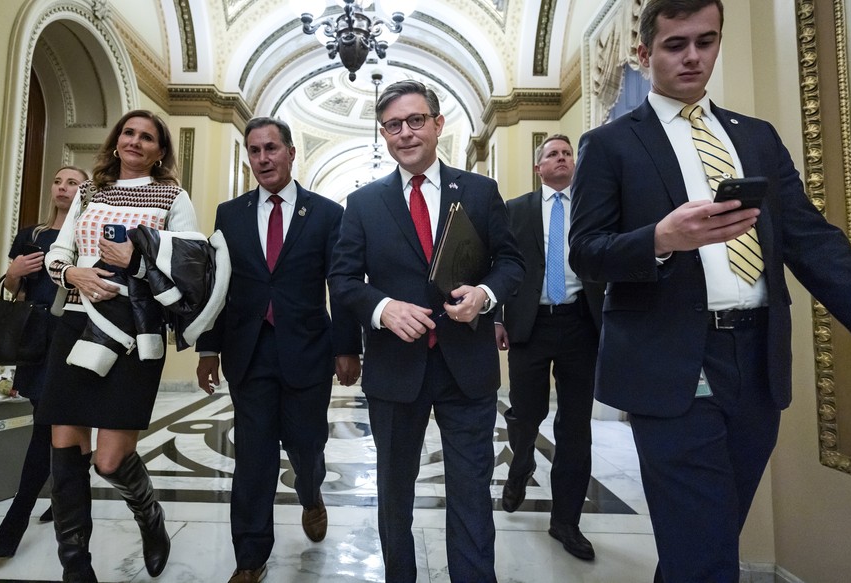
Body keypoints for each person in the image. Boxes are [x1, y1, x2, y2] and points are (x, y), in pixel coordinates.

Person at [568, 1, 851, 581]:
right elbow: (586, 253)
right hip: (673, 361)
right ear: (645, 53)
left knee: (706, 538)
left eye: (706, 40)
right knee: (704, 553)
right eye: (676, 45)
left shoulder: (758, 139)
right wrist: (660, 238)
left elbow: (810, 241)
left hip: (756, 361)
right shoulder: (611, 145)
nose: (694, 57)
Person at [329, 80, 525, 582]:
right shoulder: (364, 202)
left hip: (468, 370)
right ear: (384, 134)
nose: (406, 133)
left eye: (416, 120)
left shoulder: (479, 192)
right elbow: (344, 280)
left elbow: (511, 264)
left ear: (438, 125)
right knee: (395, 493)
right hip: (396, 371)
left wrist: (486, 295)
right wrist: (384, 308)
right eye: (394, 125)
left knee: (470, 492)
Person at [195, 117, 362, 583]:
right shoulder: (230, 213)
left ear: (291, 153)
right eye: (254, 150)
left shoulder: (327, 213)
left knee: (307, 447)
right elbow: (218, 287)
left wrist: (348, 348)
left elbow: (341, 284)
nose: (263, 158)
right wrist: (208, 349)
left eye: (271, 148)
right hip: (248, 351)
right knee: (253, 456)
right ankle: (250, 558)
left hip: (308, 350)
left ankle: (311, 493)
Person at [38, 110, 201, 582]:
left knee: (109, 460)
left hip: (135, 333)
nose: (135, 141)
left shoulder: (172, 195)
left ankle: (151, 518)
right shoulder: (90, 192)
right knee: (66, 450)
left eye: (147, 137)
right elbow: (59, 252)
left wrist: (138, 258)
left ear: (159, 150)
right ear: (116, 142)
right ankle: (76, 565)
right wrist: (73, 273)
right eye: (129, 133)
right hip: (75, 325)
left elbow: (190, 264)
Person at [494, 134, 602, 561]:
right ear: (539, 167)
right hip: (530, 325)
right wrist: (498, 317)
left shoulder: (593, 206)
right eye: (551, 154)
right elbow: (501, 264)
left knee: (576, 427)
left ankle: (566, 521)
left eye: (566, 153)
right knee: (525, 412)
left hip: (581, 323)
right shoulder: (516, 210)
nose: (560, 158)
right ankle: (520, 466)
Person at [0, 166, 88, 559]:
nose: (62, 187)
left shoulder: (83, 230)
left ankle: (15, 520)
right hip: (33, 338)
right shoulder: (31, 234)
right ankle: (67, 496)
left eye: (72, 182)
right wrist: (12, 272)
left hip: (70, 334)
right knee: (55, 424)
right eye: (58, 181)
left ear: (84, 190)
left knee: (49, 424)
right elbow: (15, 289)